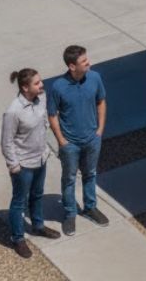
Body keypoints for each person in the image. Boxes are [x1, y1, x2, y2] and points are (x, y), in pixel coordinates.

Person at [47, 45, 108, 235]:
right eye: (83, 61)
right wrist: (61, 140)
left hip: (92, 138)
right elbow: (52, 114)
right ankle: (70, 214)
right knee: (70, 179)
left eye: (86, 59)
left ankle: (90, 207)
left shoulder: (95, 78)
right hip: (70, 143)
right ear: (72, 66)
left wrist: (100, 129)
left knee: (90, 174)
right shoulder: (58, 87)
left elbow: (101, 101)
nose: (88, 62)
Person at [1, 68, 60, 258]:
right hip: (23, 165)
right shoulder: (13, 112)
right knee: (19, 202)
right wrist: (14, 165)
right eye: (37, 83)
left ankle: (38, 225)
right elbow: (6, 141)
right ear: (25, 88)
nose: (41, 85)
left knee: (37, 195)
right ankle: (17, 238)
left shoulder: (41, 98)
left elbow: (44, 122)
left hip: (40, 159)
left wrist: (46, 151)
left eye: (40, 81)